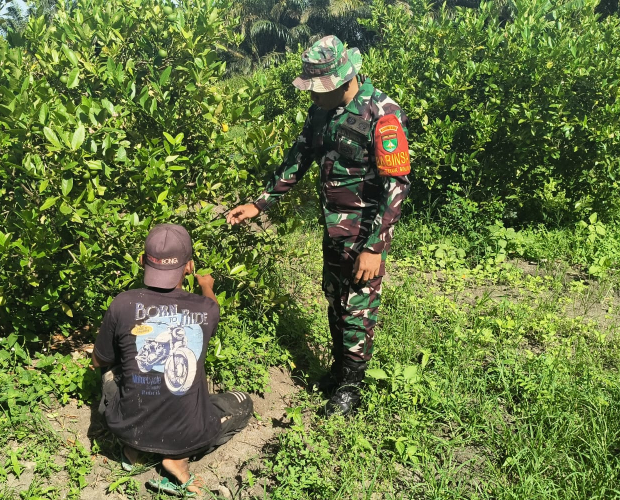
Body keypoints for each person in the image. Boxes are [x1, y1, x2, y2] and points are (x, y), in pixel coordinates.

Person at [226, 36, 411, 416]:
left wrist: (374, 247)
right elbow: (298, 160)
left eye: (318, 89)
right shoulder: (320, 114)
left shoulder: (382, 114)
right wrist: (258, 204)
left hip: (365, 234)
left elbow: (397, 186)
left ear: (344, 81)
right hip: (333, 230)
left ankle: (351, 388)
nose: (312, 96)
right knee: (334, 300)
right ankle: (340, 369)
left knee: (357, 307)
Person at [92, 223, 253, 496]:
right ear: (188, 267)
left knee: (111, 373)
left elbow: (99, 362)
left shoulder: (122, 303)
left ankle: (134, 450)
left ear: (143, 261)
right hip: (188, 436)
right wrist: (207, 286)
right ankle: (177, 458)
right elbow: (211, 305)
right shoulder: (206, 308)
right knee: (242, 402)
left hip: (128, 429)